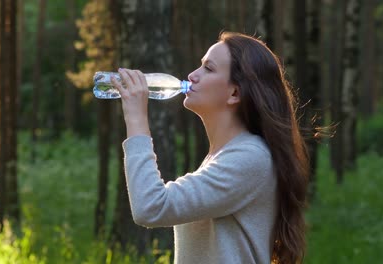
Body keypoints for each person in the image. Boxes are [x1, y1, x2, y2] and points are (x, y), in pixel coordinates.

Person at [110, 32, 309, 264]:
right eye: (200, 66)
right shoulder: (223, 157)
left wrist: (136, 118)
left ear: (234, 93)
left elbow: (150, 207)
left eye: (208, 68)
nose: (192, 75)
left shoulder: (250, 158)